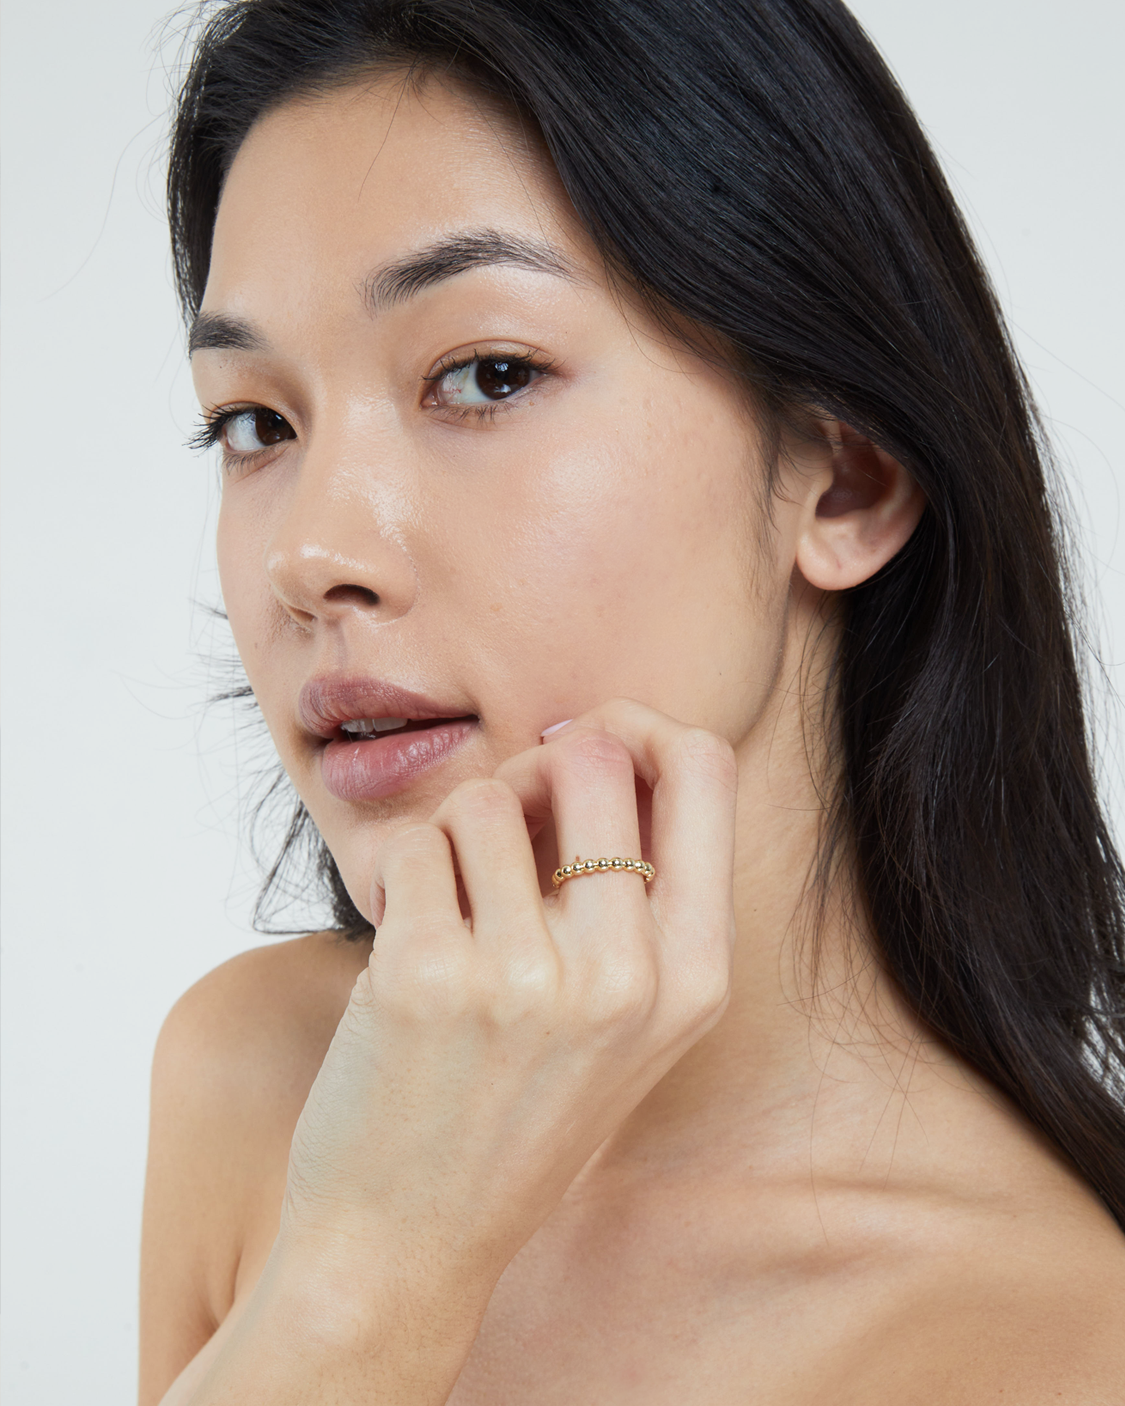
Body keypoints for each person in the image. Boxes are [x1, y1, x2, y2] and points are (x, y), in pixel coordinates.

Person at [139, 0, 1125, 1400]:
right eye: (257, 422)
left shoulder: (1056, 1343)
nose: (311, 554)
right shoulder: (262, 1083)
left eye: (486, 375)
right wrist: (366, 1265)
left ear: (844, 477)